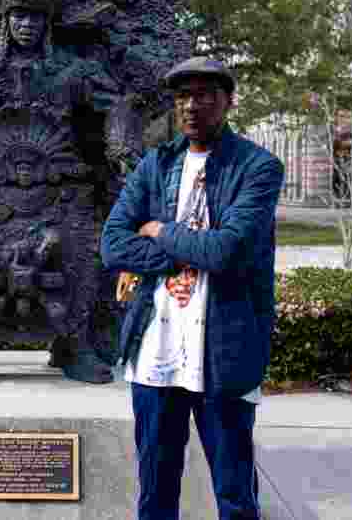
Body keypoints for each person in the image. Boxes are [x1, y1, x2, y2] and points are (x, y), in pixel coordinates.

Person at [100, 56, 284, 519]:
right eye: (182, 96)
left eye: (204, 94)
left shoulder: (258, 168)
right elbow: (112, 245)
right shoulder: (155, 165)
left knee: (235, 492)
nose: (191, 105)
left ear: (227, 101)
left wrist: (159, 230)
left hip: (223, 350)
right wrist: (192, 250)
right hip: (156, 350)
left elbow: (227, 251)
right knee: (156, 492)